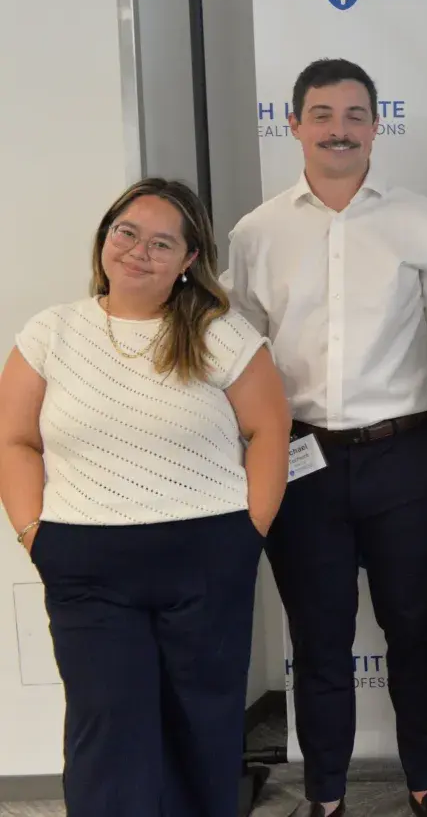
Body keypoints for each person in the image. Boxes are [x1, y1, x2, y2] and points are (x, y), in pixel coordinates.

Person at [224, 58, 427, 817]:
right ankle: (325, 796)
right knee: (318, 639)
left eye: (355, 114)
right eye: (323, 115)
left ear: (376, 125)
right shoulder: (257, 233)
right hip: (301, 464)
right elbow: (241, 353)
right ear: (294, 124)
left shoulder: (423, 221)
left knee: (416, 630)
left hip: (410, 460)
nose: (340, 130)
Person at [0, 179, 288, 814]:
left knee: (201, 722)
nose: (138, 251)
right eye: (126, 232)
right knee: (107, 725)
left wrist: (251, 531)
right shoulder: (51, 333)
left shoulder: (220, 333)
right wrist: (32, 533)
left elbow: (270, 430)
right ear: (105, 236)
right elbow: (15, 440)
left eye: (161, 242)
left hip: (207, 556)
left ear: (189, 259)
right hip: (85, 562)